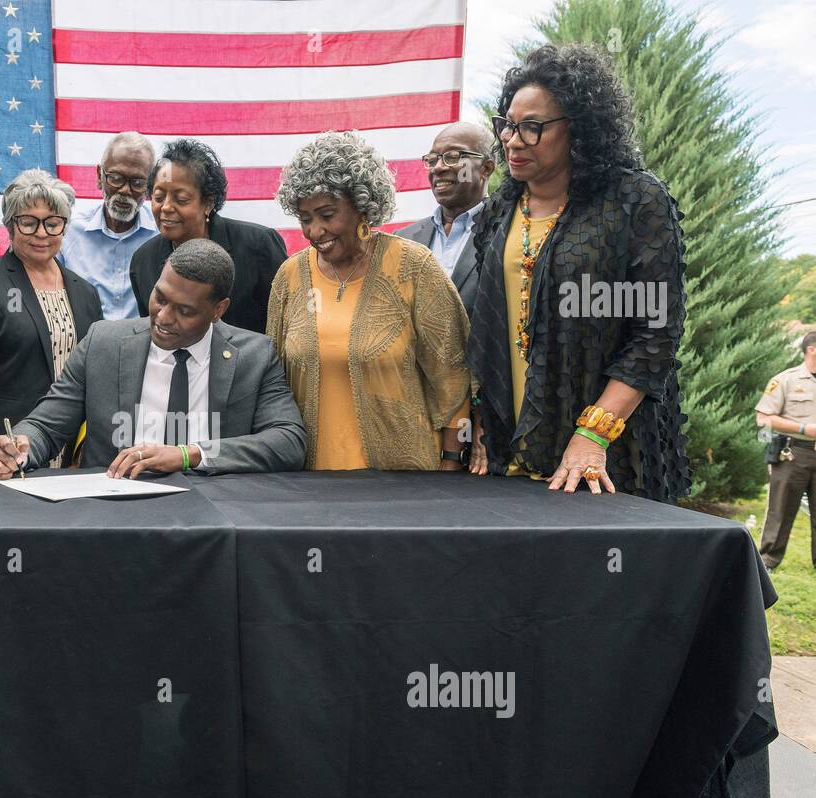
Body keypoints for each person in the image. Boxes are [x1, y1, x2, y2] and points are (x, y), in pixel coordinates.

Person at [466, 43, 690, 501]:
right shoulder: (499, 210)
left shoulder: (632, 201)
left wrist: (593, 435)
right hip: (508, 456)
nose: (512, 140)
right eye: (508, 125)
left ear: (580, 130)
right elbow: (484, 324)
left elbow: (654, 333)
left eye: (532, 127)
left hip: (606, 458)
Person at [0, 239, 306, 477]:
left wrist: (189, 454)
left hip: (215, 518)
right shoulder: (103, 343)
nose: (164, 318)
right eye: (160, 298)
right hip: (115, 514)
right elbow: (47, 425)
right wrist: (20, 447)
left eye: (185, 310)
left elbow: (288, 442)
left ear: (218, 310)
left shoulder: (255, 355)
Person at [267, 131, 470, 471]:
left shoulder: (413, 267)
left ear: (363, 207)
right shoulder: (289, 277)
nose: (315, 231)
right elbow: (273, 384)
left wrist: (452, 463)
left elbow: (453, 375)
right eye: (305, 219)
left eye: (327, 214)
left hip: (403, 480)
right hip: (307, 482)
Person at [0, 169, 104, 468]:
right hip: (3, 443)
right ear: (10, 226)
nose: (41, 233)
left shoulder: (85, 292)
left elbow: (94, 372)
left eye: (52, 223)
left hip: (70, 443)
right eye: (28, 222)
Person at [130, 139, 286, 334]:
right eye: (158, 198)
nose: (166, 207)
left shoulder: (258, 246)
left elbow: (285, 326)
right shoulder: (143, 261)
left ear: (208, 203)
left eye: (181, 199)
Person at [395, 122, 496, 317]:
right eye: (432, 160)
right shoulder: (403, 240)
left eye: (453, 157)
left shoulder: (506, 232)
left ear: (486, 168)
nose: (438, 168)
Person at [56, 132, 158, 319]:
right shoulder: (67, 232)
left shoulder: (163, 235)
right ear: (99, 176)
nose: (125, 190)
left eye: (137, 182)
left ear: (151, 186)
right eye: (116, 178)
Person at [755, 331, 816, 570]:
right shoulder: (786, 380)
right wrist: (804, 428)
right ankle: (768, 560)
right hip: (794, 454)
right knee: (780, 510)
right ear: (812, 349)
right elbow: (763, 418)